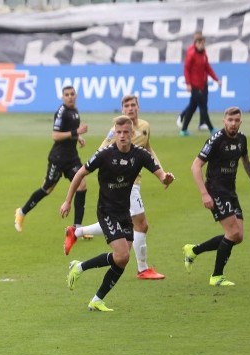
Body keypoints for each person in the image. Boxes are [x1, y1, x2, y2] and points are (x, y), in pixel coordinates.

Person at [60, 115, 175, 312]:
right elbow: (80, 173)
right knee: (122, 255)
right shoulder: (104, 154)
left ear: (132, 134)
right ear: (115, 133)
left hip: (124, 211)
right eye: (118, 132)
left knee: (121, 258)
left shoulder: (140, 155)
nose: (122, 136)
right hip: (106, 211)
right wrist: (68, 201)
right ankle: (81, 270)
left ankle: (93, 293)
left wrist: (166, 179)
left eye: (125, 132)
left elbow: (159, 174)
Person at [64, 95, 166, 280]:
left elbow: (148, 151)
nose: (130, 108)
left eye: (133, 105)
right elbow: (102, 151)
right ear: (122, 109)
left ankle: (77, 232)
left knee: (121, 226)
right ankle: (142, 269)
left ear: (138, 106)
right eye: (126, 106)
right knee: (141, 224)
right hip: (125, 186)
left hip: (134, 182)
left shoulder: (144, 126)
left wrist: (162, 173)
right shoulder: (116, 131)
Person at [183, 107, 250, 286]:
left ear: (240, 122)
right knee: (233, 232)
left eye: (236, 120)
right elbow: (195, 166)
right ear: (224, 121)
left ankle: (194, 250)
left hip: (230, 191)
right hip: (215, 189)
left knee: (238, 236)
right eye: (230, 120)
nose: (233, 124)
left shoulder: (242, 139)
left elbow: (246, 161)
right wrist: (204, 194)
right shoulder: (216, 140)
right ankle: (216, 276)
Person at [15, 85, 88, 232]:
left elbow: (68, 131)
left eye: (72, 94)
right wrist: (76, 131)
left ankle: (77, 229)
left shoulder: (75, 111)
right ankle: (21, 212)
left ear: (76, 95)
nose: (70, 97)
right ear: (62, 97)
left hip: (72, 157)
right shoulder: (61, 112)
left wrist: (78, 136)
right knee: (47, 189)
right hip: (58, 158)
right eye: (67, 94)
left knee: (82, 185)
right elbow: (55, 135)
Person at [179, 33, 219, 137]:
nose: (202, 45)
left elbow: (207, 68)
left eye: (203, 44)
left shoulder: (204, 54)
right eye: (200, 43)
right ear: (196, 44)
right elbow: (186, 70)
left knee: (192, 108)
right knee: (203, 107)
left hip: (203, 85)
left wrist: (216, 79)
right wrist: (188, 84)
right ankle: (211, 129)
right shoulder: (191, 54)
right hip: (195, 86)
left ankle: (183, 130)